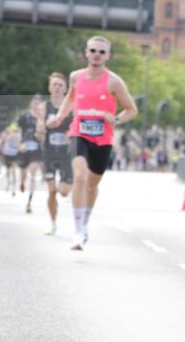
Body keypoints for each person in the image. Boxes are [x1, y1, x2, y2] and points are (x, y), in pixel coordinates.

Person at [47, 35, 138, 250]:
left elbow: (132, 110)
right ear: (86, 53)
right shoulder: (76, 77)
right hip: (78, 133)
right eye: (93, 50)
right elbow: (70, 98)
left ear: (108, 56)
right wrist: (60, 116)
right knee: (79, 177)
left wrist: (115, 119)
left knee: (92, 185)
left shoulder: (114, 82)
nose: (97, 55)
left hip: (103, 139)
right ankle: (77, 231)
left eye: (102, 52)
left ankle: (85, 221)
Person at [37, 73, 74, 235]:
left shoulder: (72, 106)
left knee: (64, 192)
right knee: (51, 191)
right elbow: (39, 128)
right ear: (49, 88)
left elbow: (78, 125)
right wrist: (42, 128)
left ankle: (70, 188)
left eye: (61, 85)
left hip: (67, 154)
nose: (58, 88)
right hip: (49, 153)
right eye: (55, 85)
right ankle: (53, 224)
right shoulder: (43, 107)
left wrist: (71, 134)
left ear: (66, 89)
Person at [17, 96, 43, 213]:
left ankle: (29, 202)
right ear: (30, 104)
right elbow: (16, 130)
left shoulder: (43, 118)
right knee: (23, 172)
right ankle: (22, 182)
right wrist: (19, 144)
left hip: (36, 149)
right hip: (24, 148)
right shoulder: (24, 116)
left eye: (38, 104)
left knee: (32, 174)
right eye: (34, 103)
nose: (36, 106)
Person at [0, 121, 21, 194]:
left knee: (13, 170)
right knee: (8, 170)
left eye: (15, 130)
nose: (14, 132)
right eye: (13, 130)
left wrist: (13, 135)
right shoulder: (7, 135)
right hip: (7, 153)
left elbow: (18, 143)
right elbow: (3, 141)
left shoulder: (18, 135)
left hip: (14, 154)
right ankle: (8, 183)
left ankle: (14, 186)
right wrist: (6, 135)